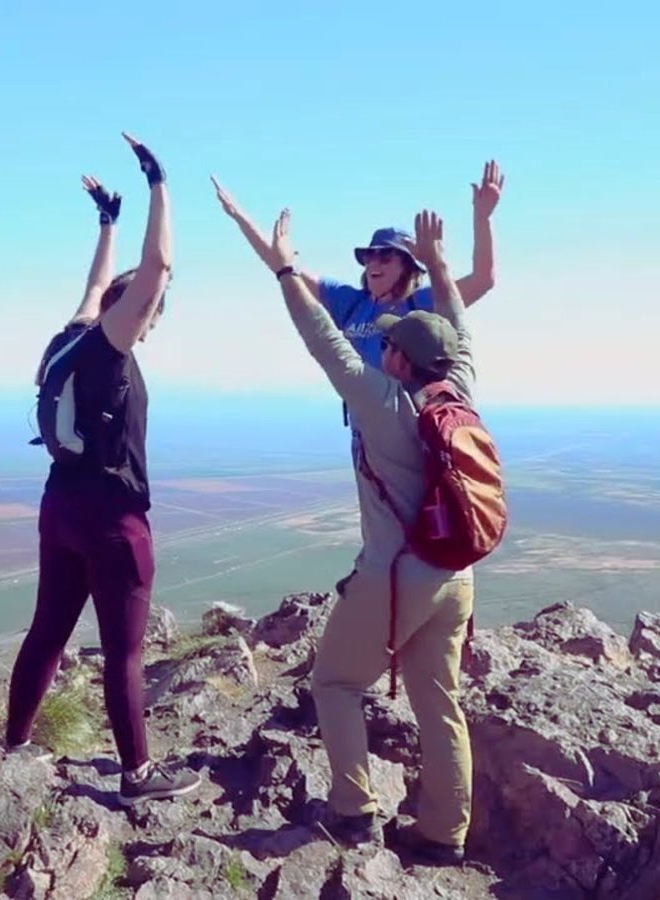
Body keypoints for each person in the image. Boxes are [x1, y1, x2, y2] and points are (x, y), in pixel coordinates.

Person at [261, 207, 477, 865]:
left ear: (400, 358)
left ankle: (353, 814)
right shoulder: (461, 386)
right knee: (438, 702)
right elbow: (460, 328)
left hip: (396, 574)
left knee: (335, 684)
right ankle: (446, 836)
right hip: (457, 576)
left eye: (388, 343)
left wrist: (282, 265)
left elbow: (316, 332)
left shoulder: (380, 403)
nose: (379, 346)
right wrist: (438, 262)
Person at [4, 133, 201, 806]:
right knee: (123, 653)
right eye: (148, 311)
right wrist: (157, 183)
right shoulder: (113, 346)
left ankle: (15, 747)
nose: (151, 319)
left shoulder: (74, 333)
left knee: (47, 631)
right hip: (112, 521)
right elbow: (162, 265)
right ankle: (138, 775)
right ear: (136, 312)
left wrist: (106, 222)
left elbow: (96, 284)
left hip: (58, 505)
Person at [212, 160, 504, 369]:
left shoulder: (424, 303)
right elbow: (284, 265)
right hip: (366, 440)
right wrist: (239, 216)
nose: (373, 263)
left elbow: (483, 279)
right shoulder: (351, 302)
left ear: (408, 267)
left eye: (385, 256)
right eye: (369, 256)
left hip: (412, 438)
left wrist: (483, 218)